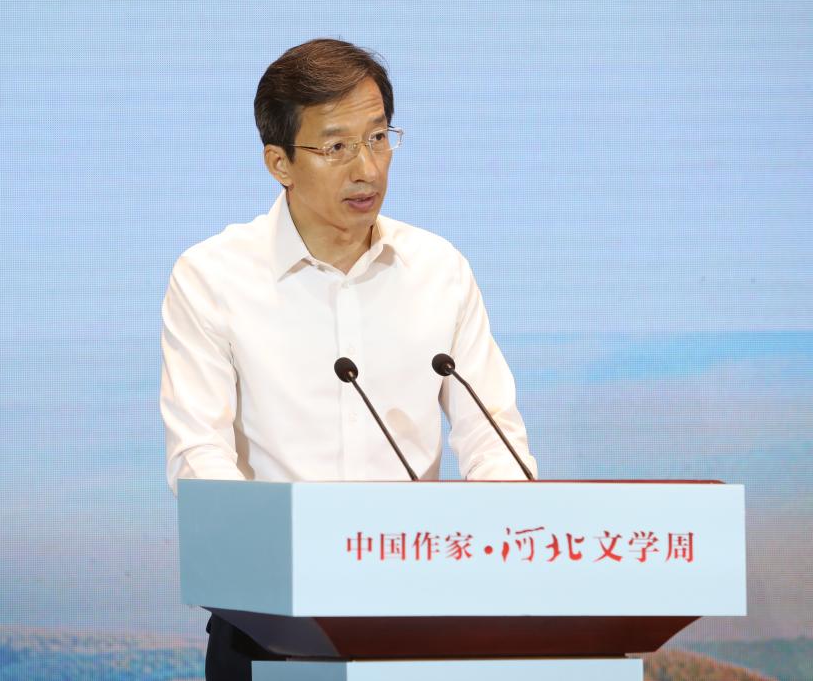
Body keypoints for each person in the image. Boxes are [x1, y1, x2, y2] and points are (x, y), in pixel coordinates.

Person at [159, 38, 536, 681]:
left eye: (379, 138)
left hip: (416, 612)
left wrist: (512, 547)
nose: (367, 168)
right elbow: (200, 456)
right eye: (336, 147)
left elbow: (494, 440)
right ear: (279, 162)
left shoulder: (439, 271)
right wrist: (273, 562)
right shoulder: (212, 278)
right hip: (267, 621)